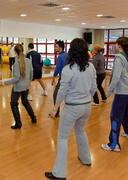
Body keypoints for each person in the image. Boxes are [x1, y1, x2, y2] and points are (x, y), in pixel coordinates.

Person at [45, 38, 97, 180]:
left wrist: (55, 108)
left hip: (72, 108)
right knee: (80, 130)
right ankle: (86, 159)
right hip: (86, 107)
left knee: (62, 138)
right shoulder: (90, 67)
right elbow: (94, 88)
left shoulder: (68, 70)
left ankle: (59, 173)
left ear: (71, 51)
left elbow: (61, 92)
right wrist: (86, 99)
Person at [101, 37, 128, 152]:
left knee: (115, 116)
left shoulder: (119, 58)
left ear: (119, 45)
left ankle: (113, 144)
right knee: (125, 111)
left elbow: (115, 77)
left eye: (116, 44)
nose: (115, 46)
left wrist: (108, 92)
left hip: (123, 92)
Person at [3, 44, 36, 129]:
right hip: (26, 86)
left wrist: (5, 83)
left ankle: (18, 124)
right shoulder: (28, 60)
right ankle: (33, 118)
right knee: (25, 102)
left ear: (15, 52)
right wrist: (27, 81)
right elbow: (32, 75)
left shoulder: (16, 63)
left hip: (18, 88)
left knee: (13, 104)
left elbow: (16, 78)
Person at [50, 40, 68, 118]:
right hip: (68, 78)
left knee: (55, 95)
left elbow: (57, 69)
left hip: (63, 79)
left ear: (60, 48)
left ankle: (56, 113)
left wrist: (53, 78)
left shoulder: (60, 56)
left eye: (56, 47)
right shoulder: (67, 54)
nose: (55, 48)